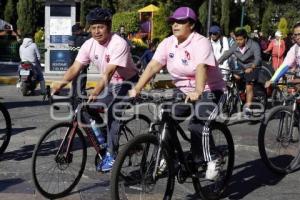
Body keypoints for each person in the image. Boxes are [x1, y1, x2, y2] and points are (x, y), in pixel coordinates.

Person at [129, 7, 227, 183]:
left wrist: (198, 90)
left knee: (197, 125)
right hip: (182, 92)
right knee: (164, 116)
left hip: (210, 90)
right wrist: (137, 88)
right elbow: (152, 66)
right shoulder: (168, 43)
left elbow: (201, 67)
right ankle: (166, 155)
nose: (175, 25)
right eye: (173, 22)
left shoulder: (201, 42)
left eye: (180, 22)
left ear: (191, 24)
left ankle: (213, 157)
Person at [52, 7, 139, 172]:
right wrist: (60, 83)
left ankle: (112, 155)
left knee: (113, 111)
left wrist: (96, 91)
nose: (97, 31)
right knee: (83, 109)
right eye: (93, 27)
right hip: (110, 84)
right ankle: (107, 139)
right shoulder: (88, 44)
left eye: (101, 27)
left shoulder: (118, 43)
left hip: (128, 82)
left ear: (109, 26)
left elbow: (109, 72)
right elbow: (76, 67)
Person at [218, 28, 262, 119]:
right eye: (236, 39)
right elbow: (227, 54)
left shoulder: (254, 45)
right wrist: (217, 63)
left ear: (245, 39)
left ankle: (248, 109)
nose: (238, 41)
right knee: (235, 77)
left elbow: (258, 58)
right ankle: (239, 94)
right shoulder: (235, 45)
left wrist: (252, 67)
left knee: (249, 85)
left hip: (254, 67)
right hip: (242, 67)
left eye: (240, 39)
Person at [265, 22, 300, 87]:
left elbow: (283, 49)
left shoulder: (282, 41)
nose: (297, 37)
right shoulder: (295, 48)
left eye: (299, 34)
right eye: (295, 35)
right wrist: (272, 80)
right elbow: (285, 65)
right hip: (275, 58)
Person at [68, 23, 89, 100]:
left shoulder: (70, 38)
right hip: (80, 63)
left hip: (72, 63)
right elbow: (88, 35)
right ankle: (80, 94)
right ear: (77, 31)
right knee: (82, 79)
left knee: (74, 80)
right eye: (80, 29)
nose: (82, 30)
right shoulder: (81, 39)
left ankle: (73, 94)